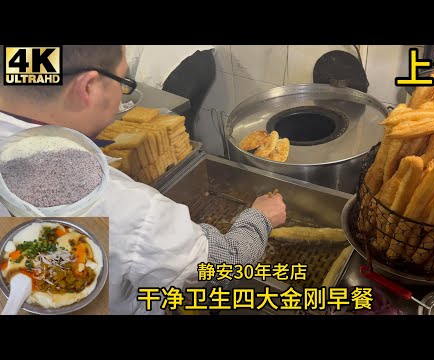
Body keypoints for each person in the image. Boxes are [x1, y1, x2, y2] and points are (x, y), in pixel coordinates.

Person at [0, 45, 287, 315]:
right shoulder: (127, 206)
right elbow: (225, 264)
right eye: (124, 81)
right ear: (88, 87)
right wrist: (259, 218)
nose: (124, 97)